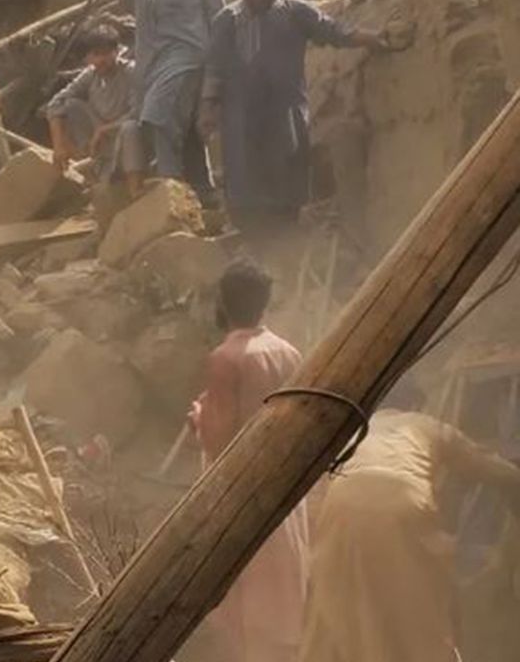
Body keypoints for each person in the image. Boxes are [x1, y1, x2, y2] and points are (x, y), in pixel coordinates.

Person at [299, 391, 520, 662]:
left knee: (340, 600)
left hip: (341, 504)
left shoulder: (353, 432)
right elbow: (486, 465)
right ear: (416, 404)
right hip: (403, 504)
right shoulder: (424, 424)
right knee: (416, 604)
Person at [202, 0, 387, 247]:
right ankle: (254, 246)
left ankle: (285, 246)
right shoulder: (227, 20)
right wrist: (208, 107)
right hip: (240, 120)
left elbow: (335, 31)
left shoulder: (297, 13)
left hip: (284, 115)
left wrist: (374, 38)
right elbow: (214, 67)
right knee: (244, 188)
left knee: (286, 185)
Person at [189, 261, 308, 662]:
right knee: (283, 597)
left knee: (246, 602)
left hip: (241, 495)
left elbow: (220, 440)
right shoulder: (288, 352)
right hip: (283, 489)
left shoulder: (226, 358)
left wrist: (199, 418)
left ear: (222, 302)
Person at [88, 0, 225, 206]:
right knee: (183, 124)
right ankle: (203, 191)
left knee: (158, 114)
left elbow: (218, 12)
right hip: (152, 58)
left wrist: (218, 65)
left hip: (189, 52)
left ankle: (172, 190)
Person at [45, 24, 143, 191]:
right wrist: (58, 146)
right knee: (70, 106)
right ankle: (93, 166)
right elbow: (55, 103)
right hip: (101, 142)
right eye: (96, 54)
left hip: (128, 138)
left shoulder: (131, 72)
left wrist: (105, 129)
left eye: (106, 54)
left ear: (117, 51)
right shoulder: (90, 75)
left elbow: (138, 112)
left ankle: (135, 189)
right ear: (88, 57)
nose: (100, 60)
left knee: (130, 128)